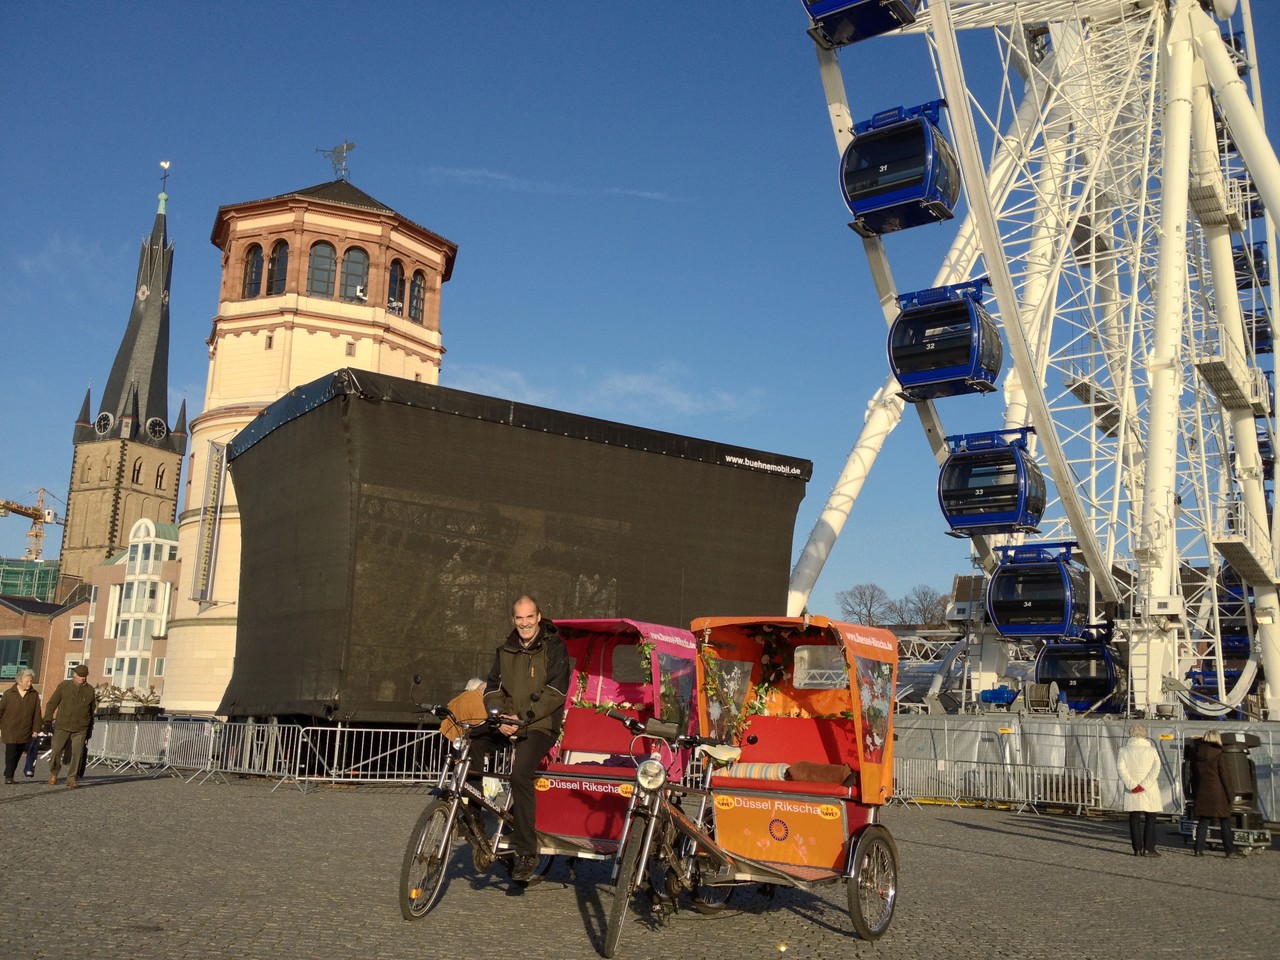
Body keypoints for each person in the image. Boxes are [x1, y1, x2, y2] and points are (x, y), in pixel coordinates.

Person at [483, 595, 569, 883]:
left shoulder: (554, 648)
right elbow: (492, 688)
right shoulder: (505, 650)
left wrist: (524, 718)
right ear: (513, 620)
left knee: (520, 775)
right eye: (519, 618)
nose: (525, 623)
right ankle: (467, 817)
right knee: (470, 742)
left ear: (539, 616)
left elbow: (556, 693)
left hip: (539, 725)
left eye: (529, 617)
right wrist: (502, 716)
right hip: (509, 721)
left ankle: (526, 852)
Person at [1189, 729, 1243, 858]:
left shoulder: (1196, 753)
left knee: (1204, 820)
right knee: (1225, 820)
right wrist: (1231, 795)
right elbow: (1225, 776)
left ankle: (1198, 849)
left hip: (1202, 790)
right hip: (1218, 792)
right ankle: (1230, 850)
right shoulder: (1219, 754)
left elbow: (1192, 775)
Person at [43, 664, 97, 788]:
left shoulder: (90, 690)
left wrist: (90, 729)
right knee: (56, 751)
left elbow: (91, 711)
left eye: (84, 676)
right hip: (62, 725)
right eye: (80, 676)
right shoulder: (64, 686)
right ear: (75, 674)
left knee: (77, 753)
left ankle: (72, 777)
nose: (82, 678)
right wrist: (47, 720)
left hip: (81, 727)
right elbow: (52, 703)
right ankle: (54, 773)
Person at [1116, 722, 1163, 857]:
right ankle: (1149, 848)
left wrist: (1132, 784)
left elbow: (1121, 768)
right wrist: (1144, 785)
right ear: (1145, 734)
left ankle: (1137, 848)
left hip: (1132, 788)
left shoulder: (1124, 750)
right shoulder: (1151, 750)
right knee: (1151, 817)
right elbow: (1156, 769)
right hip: (1149, 788)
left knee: (1134, 818)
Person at [0, 668, 43, 784]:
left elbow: (37, 714)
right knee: (11, 752)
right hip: (10, 729)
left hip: (25, 730)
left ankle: (9, 772)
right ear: (20, 680)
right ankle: (9, 777)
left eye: (31, 681)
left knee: (18, 753)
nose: (30, 683)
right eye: (27, 681)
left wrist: (36, 730)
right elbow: (1, 710)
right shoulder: (9, 694)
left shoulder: (34, 695)